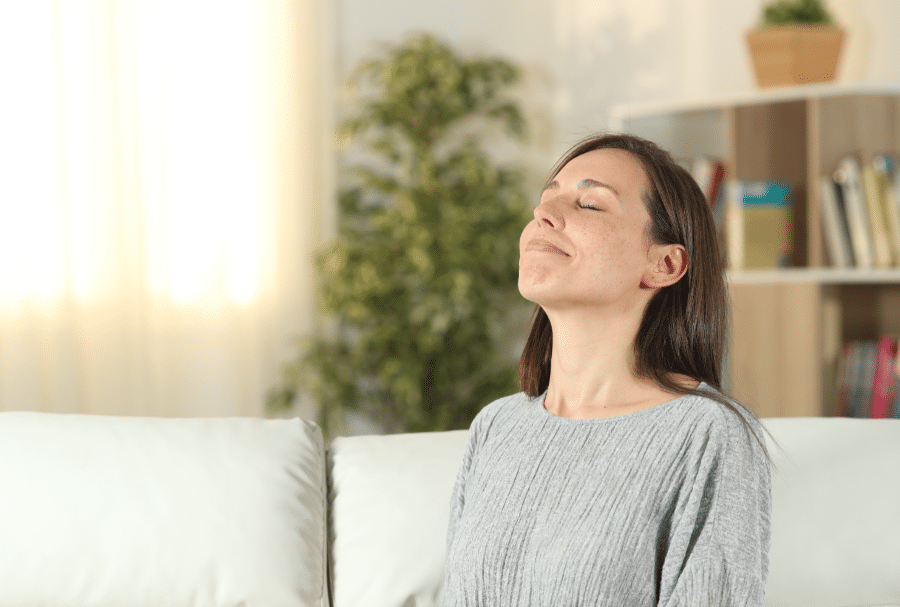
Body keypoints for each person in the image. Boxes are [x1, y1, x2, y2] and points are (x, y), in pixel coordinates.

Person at [440, 133, 771, 606]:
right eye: (547, 197)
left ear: (664, 263)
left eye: (589, 204)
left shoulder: (706, 434)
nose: (544, 214)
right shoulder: (497, 427)